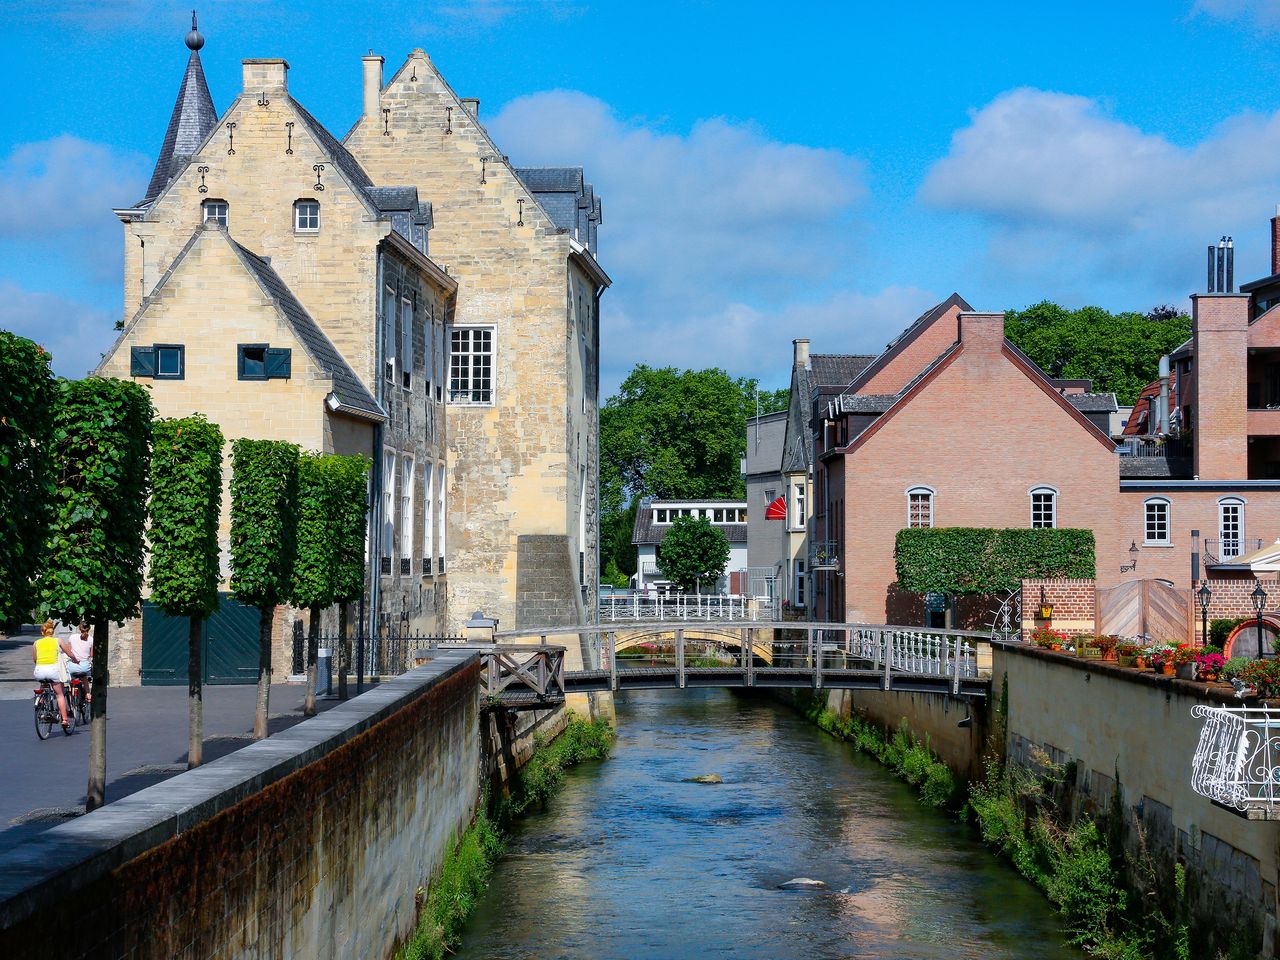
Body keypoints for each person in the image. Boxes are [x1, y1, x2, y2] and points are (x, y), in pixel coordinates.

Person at [32, 620, 76, 730]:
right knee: (59, 694)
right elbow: (68, 653)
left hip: (39, 671)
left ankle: (41, 704)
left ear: (42, 632)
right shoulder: (58, 641)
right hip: (53, 670)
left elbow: (35, 659)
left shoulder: (36, 643)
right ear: (53, 632)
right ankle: (65, 720)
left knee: (44, 684)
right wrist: (75, 659)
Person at [67, 622, 93, 703]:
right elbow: (91, 654)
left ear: (79, 628)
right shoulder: (91, 639)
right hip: (84, 666)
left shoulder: (72, 637)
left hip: (73, 666)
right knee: (84, 677)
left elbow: (69, 651)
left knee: (71, 680)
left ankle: (72, 702)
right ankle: (88, 694)